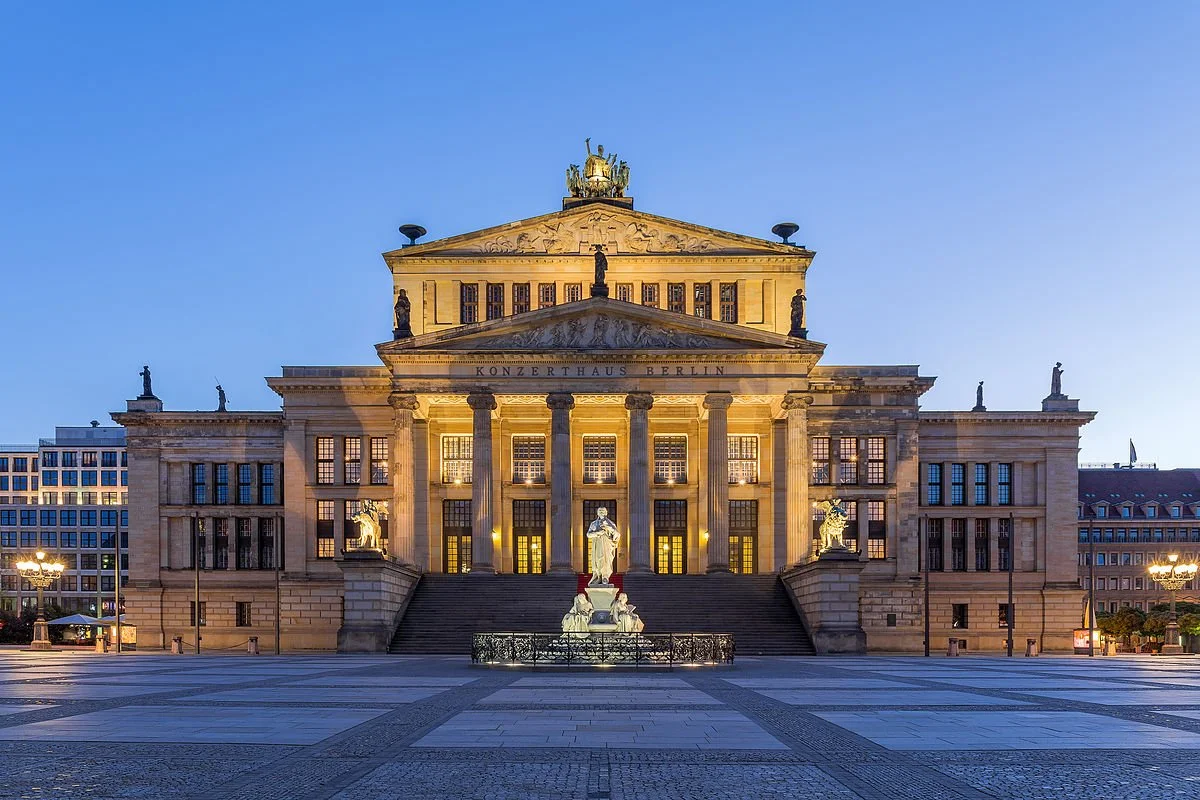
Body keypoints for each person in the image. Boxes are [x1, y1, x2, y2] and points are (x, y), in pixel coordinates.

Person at [586, 507, 620, 585]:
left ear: (606, 513)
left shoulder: (610, 523)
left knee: (605, 559)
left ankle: (605, 576)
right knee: (597, 560)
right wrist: (598, 533)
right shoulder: (593, 524)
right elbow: (588, 534)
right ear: (597, 513)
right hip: (597, 544)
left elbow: (617, 534)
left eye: (603, 511)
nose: (601, 512)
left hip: (606, 544)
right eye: (600, 511)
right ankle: (598, 576)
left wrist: (609, 528)